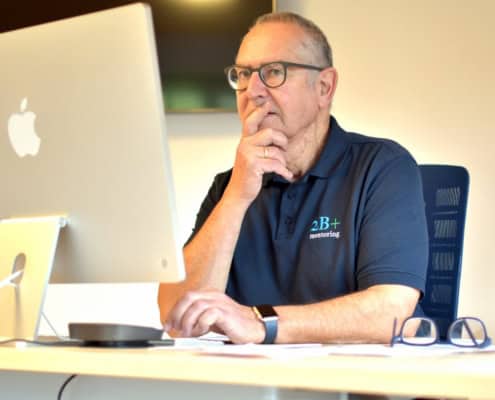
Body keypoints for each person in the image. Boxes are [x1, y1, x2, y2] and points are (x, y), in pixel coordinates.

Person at [158, 12, 428, 345]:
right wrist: (237, 197)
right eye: (243, 74)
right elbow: (175, 315)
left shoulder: (383, 167)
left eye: (273, 72)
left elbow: (392, 311)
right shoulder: (230, 187)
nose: (252, 91)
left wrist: (262, 323)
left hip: (353, 377)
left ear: (324, 87)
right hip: (254, 376)